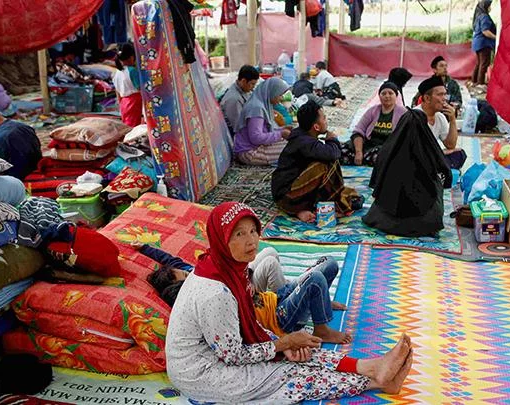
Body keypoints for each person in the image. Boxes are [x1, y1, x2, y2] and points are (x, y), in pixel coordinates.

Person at [166, 202, 414, 404]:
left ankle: (371, 366)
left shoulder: (228, 270)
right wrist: (281, 344)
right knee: (292, 373)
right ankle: (377, 382)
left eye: (253, 231)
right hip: (200, 372)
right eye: (239, 234)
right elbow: (234, 355)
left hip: (219, 352)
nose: (251, 241)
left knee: (300, 352)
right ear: (220, 239)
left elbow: (247, 325)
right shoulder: (215, 291)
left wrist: (280, 345)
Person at [144, 243, 351, 344]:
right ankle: (321, 328)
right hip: (280, 317)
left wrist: (144, 247)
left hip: (275, 298)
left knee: (329, 263)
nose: (189, 273)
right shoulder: (203, 296)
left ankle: (319, 300)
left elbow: (171, 260)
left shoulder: (202, 272)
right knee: (314, 280)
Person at [362, 88, 453, 237]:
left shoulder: (388, 150)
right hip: (424, 222)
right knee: (435, 183)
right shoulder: (428, 152)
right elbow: (446, 173)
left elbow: (376, 181)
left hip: (387, 218)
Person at [272, 101, 363, 223]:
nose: (326, 120)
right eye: (324, 118)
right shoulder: (305, 142)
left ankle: (320, 204)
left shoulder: (303, 136)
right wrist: (333, 139)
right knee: (325, 165)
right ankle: (304, 208)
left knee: (326, 163)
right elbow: (333, 154)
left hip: (288, 191)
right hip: (286, 197)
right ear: (316, 127)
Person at [342, 82, 407, 166]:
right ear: (379, 96)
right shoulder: (372, 111)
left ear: (396, 96)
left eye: (390, 93)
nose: (387, 96)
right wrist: (358, 152)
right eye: (383, 93)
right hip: (369, 144)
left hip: (388, 147)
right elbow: (359, 130)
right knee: (341, 150)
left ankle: (363, 159)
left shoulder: (403, 113)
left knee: (380, 157)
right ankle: (363, 157)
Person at [234, 77, 292, 166]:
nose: (280, 99)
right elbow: (256, 137)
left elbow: (264, 130)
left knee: (293, 144)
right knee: (294, 149)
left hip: (253, 147)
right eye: (279, 95)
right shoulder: (256, 108)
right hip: (249, 153)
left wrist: (282, 129)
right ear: (272, 92)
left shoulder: (261, 104)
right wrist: (281, 134)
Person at [413, 76, 467, 169]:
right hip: (415, 160)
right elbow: (415, 150)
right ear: (427, 98)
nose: (444, 99)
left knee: (459, 154)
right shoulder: (414, 116)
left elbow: (450, 145)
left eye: (445, 94)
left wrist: (452, 119)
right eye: (440, 95)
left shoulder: (439, 117)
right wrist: (439, 153)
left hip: (432, 158)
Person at [220, 65, 260, 136]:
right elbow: (239, 127)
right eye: (252, 84)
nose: (253, 87)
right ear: (243, 81)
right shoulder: (234, 99)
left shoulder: (245, 90)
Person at [113, 43, 143, 127]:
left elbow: (117, 92)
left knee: (127, 126)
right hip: (134, 102)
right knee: (134, 127)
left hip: (124, 103)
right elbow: (140, 89)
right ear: (132, 56)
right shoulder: (132, 71)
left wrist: (121, 104)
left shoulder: (116, 73)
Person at [471, 0, 496, 88]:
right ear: (485, 7)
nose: (490, 8)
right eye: (489, 6)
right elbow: (485, 31)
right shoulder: (485, 17)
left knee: (479, 63)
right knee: (484, 63)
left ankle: (474, 81)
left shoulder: (478, 16)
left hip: (477, 43)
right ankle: (480, 83)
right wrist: (497, 37)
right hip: (483, 43)